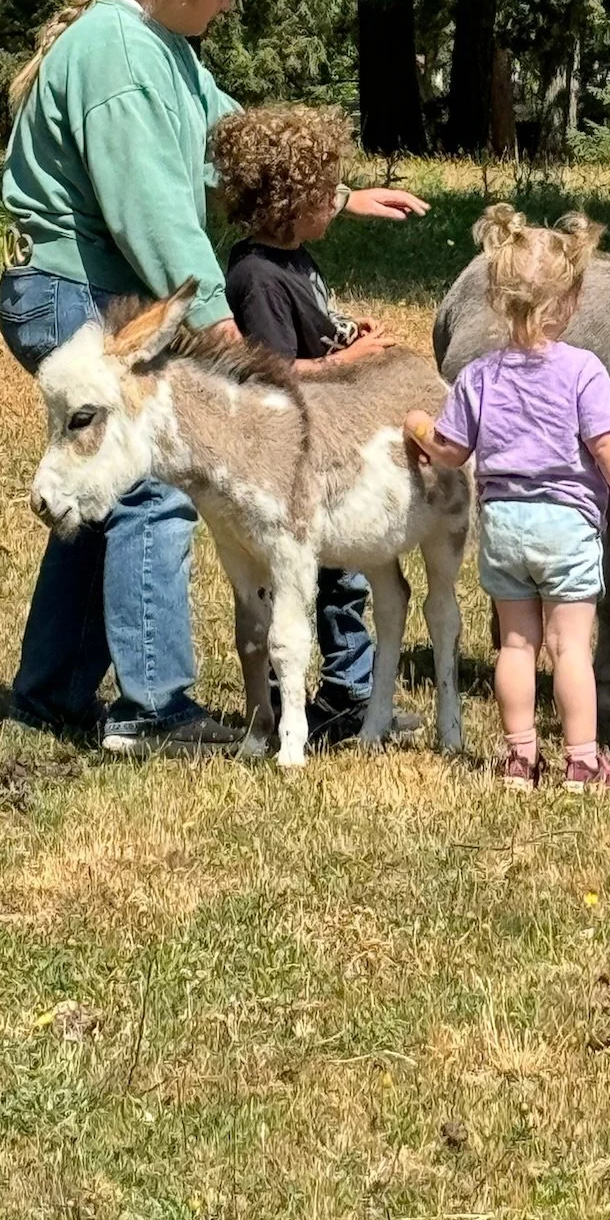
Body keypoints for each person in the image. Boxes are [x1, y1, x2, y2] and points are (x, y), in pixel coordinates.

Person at [0, 0, 424, 756]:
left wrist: (333, 195)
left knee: (100, 486)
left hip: (98, 291)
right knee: (158, 473)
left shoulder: (161, 45)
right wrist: (221, 330)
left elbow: (227, 145)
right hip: (72, 293)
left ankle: (48, 695)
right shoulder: (119, 55)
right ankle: (153, 709)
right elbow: (154, 212)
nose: (228, 6)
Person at [404, 206, 610, 793]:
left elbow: (452, 452)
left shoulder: (478, 374)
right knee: (570, 646)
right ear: (574, 299)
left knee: (515, 644)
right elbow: (608, 449)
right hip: (569, 527)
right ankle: (582, 759)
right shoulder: (583, 370)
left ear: (498, 300)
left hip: (503, 526)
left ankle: (518, 759)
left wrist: (420, 432)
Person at [212, 102, 427, 745]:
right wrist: (351, 360)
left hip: (333, 440)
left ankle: (345, 690)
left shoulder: (295, 258)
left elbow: (314, 332)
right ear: (285, 203)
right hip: (301, 458)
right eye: (323, 193)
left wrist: (346, 333)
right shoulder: (256, 275)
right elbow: (272, 373)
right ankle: (322, 696)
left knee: (346, 577)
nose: (337, 202)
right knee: (325, 579)